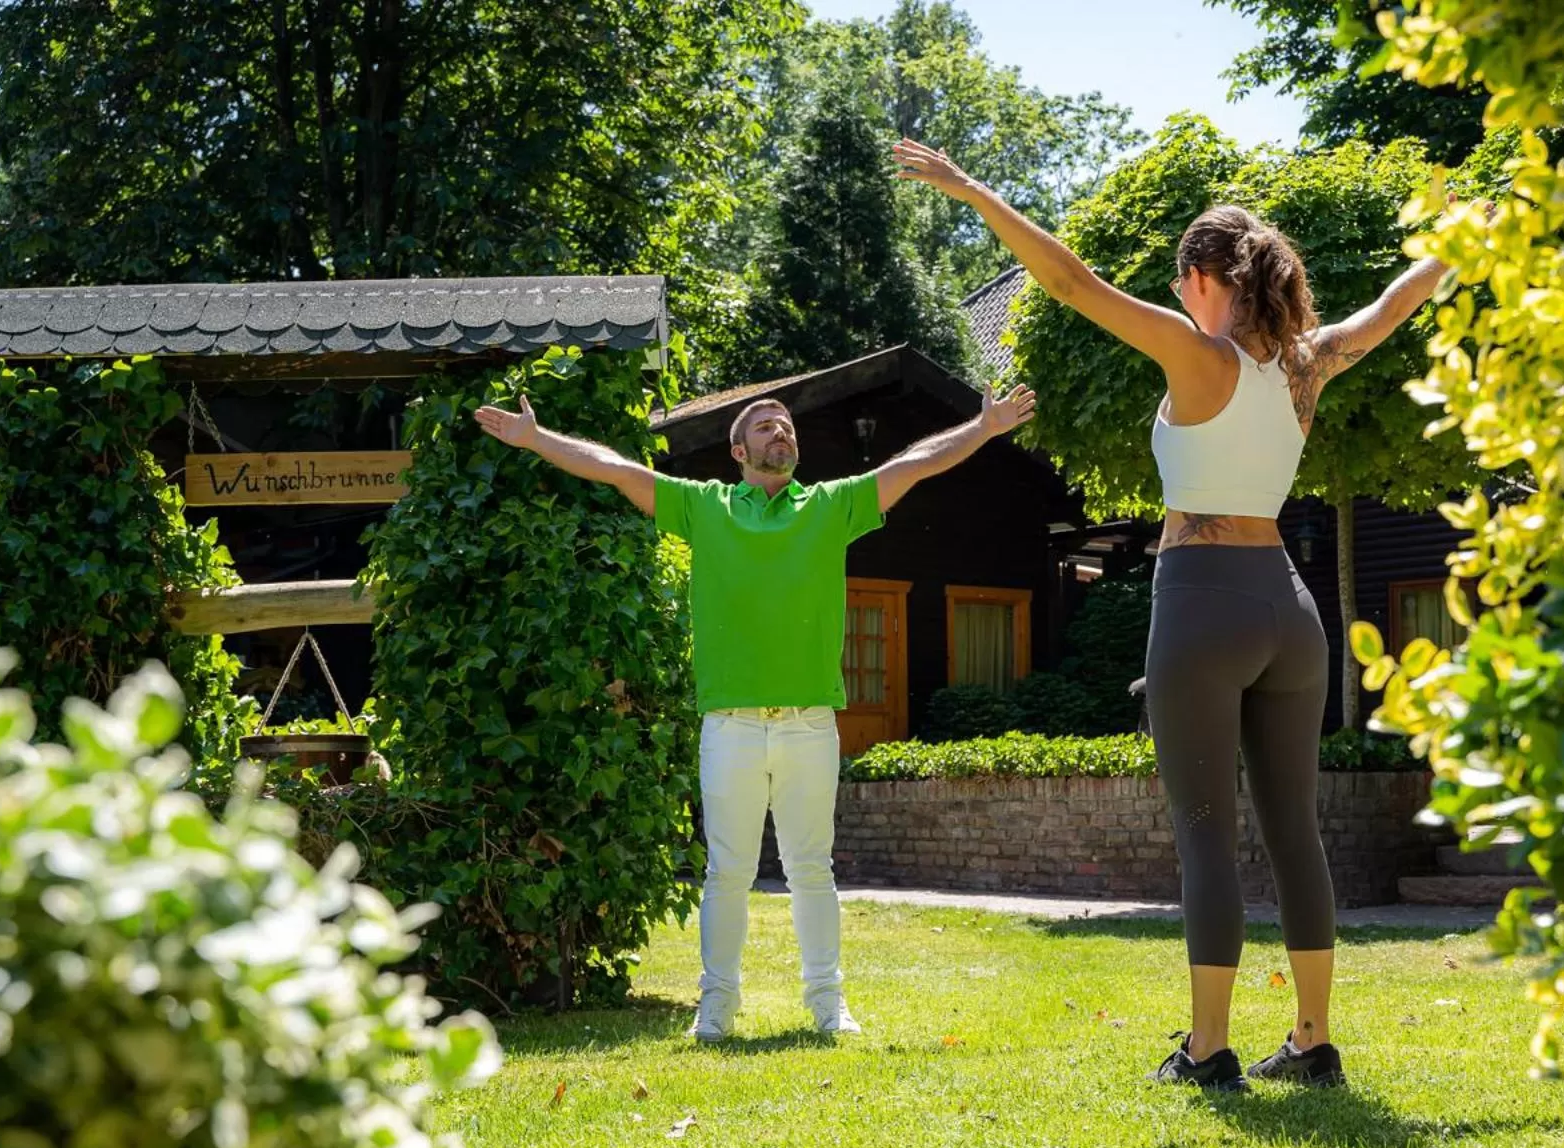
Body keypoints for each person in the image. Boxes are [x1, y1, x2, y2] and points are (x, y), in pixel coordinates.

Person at [896, 138, 1455, 1091]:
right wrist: (1458, 247)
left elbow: (1068, 284)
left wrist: (970, 186)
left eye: (1180, 277)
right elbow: (1393, 307)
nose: (1177, 291)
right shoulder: (1307, 365)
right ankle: (1313, 1040)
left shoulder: (1199, 358)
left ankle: (1208, 1049)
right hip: (1289, 606)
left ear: (1205, 279)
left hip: (1202, 597)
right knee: (1295, 829)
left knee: (1204, 827)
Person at [475, 383, 1037, 1040]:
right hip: (731, 726)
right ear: (739, 450)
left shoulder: (831, 506)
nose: (783, 433)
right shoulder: (704, 507)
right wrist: (537, 439)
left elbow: (910, 465)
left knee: (812, 869)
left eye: (788, 426)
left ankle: (829, 1006)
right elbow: (618, 470)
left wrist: (981, 427)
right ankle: (716, 1009)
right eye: (768, 426)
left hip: (808, 725)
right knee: (728, 871)